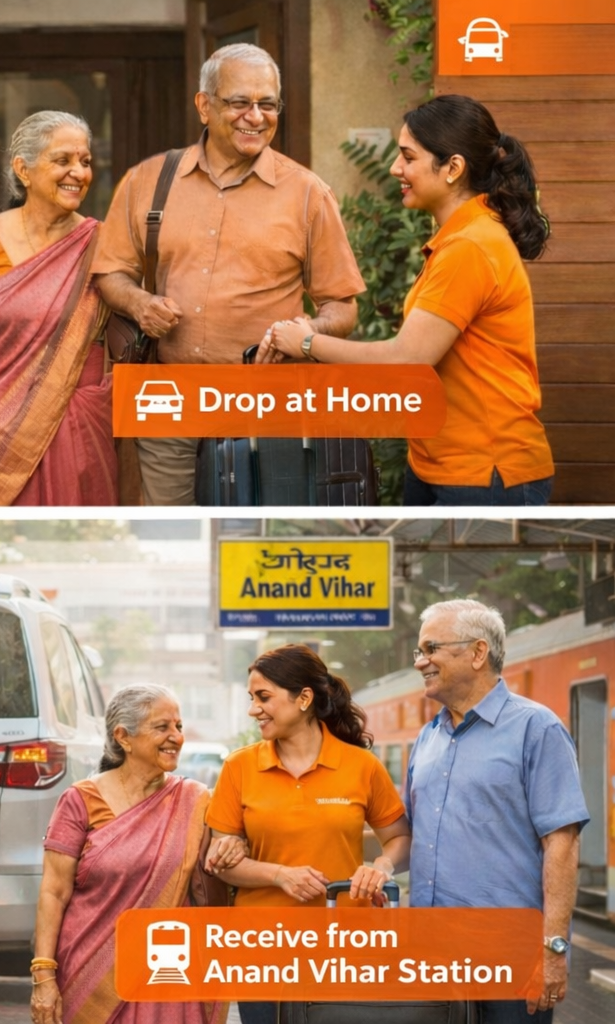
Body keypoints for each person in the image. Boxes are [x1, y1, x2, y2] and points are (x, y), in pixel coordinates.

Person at [95, 43, 364, 505]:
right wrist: (140, 303)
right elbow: (110, 273)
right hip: (169, 396)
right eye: (240, 102)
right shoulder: (147, 181)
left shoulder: (308, 194)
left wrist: (307, 332)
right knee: (173, 527)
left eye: (268, 104)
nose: (255, 117)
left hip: (263, 401)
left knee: (257, 523)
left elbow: (342, 306)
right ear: (204, 106)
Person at [260, 95, 554, 505]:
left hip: (486, 472)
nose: (395, 168)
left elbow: (407, 358)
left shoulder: (471, 246)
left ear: (453, 168)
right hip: (441, 462)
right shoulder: (461, 237)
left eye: (408, 157)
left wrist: (307, 342)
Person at [204, 645, 411, 1024]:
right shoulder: (239, 767)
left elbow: (400, 840)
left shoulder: (361, 766)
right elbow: (221, 862)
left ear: (303, 698)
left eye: (263, 697)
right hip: (262, 948)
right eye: (252, 698)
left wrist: (380, 867)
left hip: (343, 944)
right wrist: (279, 875)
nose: (253, 709)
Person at [406, 599, 586, 1023]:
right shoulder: (428, 738)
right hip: (433, 958)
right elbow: (413, 833)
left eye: (431, 649)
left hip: (510, 960)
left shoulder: (536, 729)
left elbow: (562, 844)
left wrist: (554, 950)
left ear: (478, 652)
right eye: (419, 651)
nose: (420, 662)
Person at [0, 110, 115, 507]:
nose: (79, 172)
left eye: (85, 161)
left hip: (76, 426)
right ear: (23, 169)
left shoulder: (102, 244)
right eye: (62, 160)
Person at [32, 684, 237, 1024]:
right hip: (91, 972)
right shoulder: (81, 801)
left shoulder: (194, 799)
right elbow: (54, 891)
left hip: (168, 969)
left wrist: (236, 843)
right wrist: (43, 975)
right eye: (162, 727)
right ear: (123, 737)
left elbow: (226, 848)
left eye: (179, 726)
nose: (176, 737)